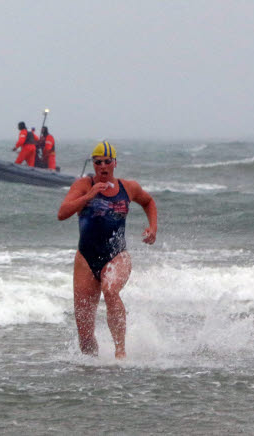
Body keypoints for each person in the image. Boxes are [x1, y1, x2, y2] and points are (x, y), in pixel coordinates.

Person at [57, 141, 158, 359]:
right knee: (84, 337)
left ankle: (120, 354)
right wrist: (89, 196)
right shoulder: (84, 185)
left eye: (107, 162)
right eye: (98, 162)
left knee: (111, 290)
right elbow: (62, 213)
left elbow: (148, 202)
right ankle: (93, 375)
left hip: (117, 255)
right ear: (93, 164)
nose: (102, 166)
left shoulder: (128, 187)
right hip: (86, 259)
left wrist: (153, 227)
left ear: (115, 163)